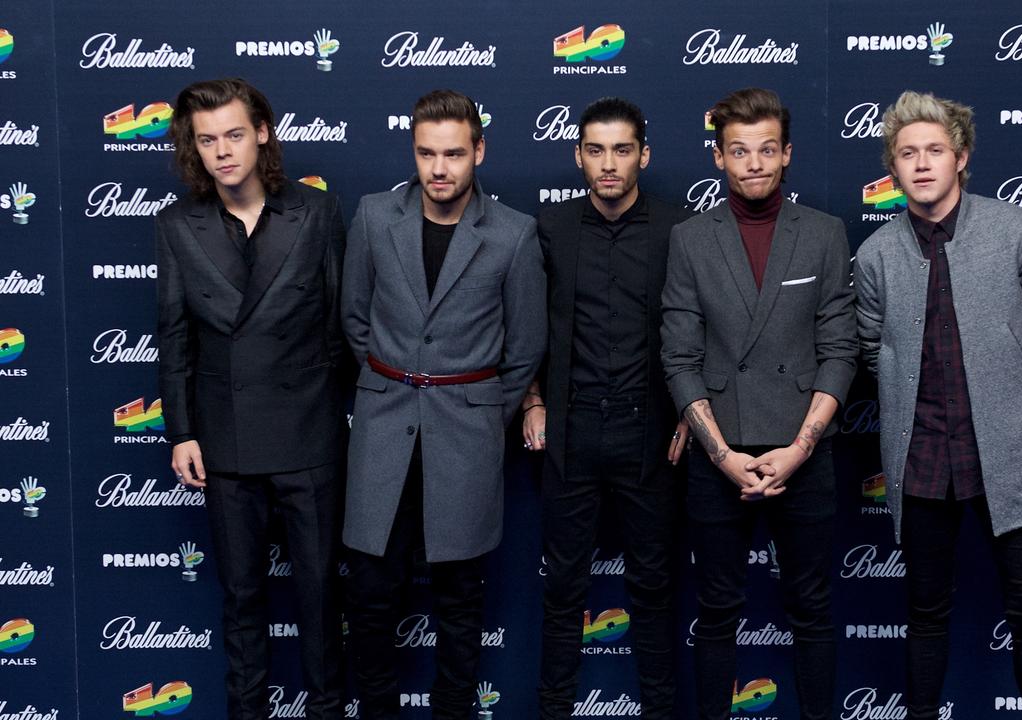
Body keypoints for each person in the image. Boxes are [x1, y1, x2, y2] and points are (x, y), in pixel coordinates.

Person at [852, 90, 1022, 720]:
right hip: (921, 462)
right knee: (924, 613)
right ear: (892, 167)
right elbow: (873, 349)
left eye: (935, 151)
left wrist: (1018, 397)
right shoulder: (874, 255)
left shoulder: (1014, 230)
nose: (922, 164)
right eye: (907, 154)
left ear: (961, 157)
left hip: (1008, 457)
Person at [340, 89, 546, 720]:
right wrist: (393, 386)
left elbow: (526, 344)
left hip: (468, 434)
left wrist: (484, 413)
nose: (439, 169)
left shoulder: (513, 234)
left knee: (460, 600)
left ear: (478, 151)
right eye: (426, 153)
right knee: (372, 596)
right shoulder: (375, 217)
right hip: (382, 429)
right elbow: (353, 318)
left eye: (454, 154)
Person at [661, 87, 857, 720]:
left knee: (813, 606)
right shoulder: (690, 239)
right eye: (739, 151)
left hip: (804, 448)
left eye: (766, 150)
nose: (753, 163)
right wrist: (722, 457)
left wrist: (799, 450)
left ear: (787, 154)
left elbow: (840, 349)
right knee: (716, 610)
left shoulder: (825, 233)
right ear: (719, 157)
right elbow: (680, 357)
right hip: (721, 451)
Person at [156, 77, 347, 720]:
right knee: (241, 601)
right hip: (225, 440)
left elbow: (338, 326)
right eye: (207, 140)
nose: (223, 152)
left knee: (320, 600)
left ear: (262, 133)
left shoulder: (316, 212)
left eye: (234, 135)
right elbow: (175, 335)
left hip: (309, 434)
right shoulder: (177, 225)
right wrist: (181, 432)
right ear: (194, 148)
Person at [521, 97, 692, 720]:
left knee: (653, 590)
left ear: (643, 155)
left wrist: (689, 416)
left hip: (652, 437)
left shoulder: (680, 229)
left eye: (622, 150)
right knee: (563, 591)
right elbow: (525, 326)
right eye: (595, 150)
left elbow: (699, 332)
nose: (609, 164)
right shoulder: (549, 229)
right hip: (570, 432)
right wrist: (533, 400)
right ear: (578, 156)